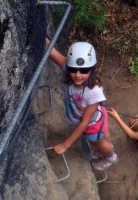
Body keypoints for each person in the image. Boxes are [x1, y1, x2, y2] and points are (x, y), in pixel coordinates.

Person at [45, 38, 117, 171]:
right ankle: (107, 146)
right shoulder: (68, 70)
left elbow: (84, 123)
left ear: (91, 69)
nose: (78, 75)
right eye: (74, 69)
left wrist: (65, 145)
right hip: (97, 115)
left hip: (92, 123)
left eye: (84, 71)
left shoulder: (94, 91)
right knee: (102, 135)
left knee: (96, 141)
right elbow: (53, 53)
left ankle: (110, 156)